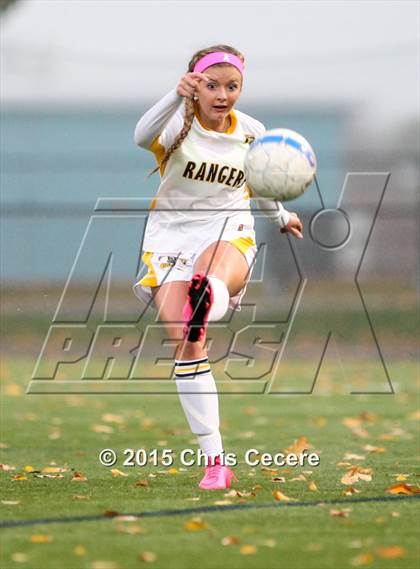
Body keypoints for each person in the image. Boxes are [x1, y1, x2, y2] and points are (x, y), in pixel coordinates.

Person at [132, 44, 303, 490]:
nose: (223, 94)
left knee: (209, 277)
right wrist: (175, 95)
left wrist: (281, 216)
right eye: (212, 85)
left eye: (232, 86)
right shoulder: (175, 123)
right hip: (170, 238)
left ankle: (212, 294)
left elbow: (261, 183)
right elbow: (138, 135)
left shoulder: (252, 131)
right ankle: (216, 462)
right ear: (196, 85)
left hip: (228, 228)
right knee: (188, 343)